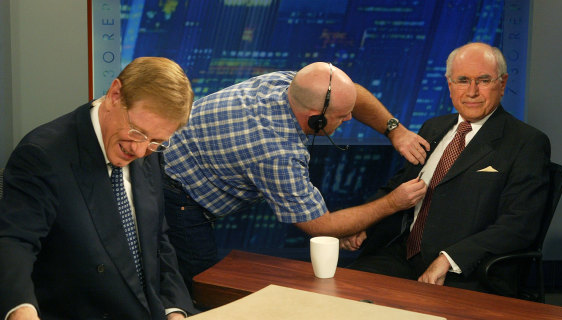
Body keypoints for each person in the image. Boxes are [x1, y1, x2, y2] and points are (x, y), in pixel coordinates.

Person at [0, 57, 196, 320]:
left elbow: (158, 240)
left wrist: (176, 312)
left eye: (156, 141)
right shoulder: (44, 154)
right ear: (115, 94)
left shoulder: (148, 150)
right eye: (136, 131)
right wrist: (20, 311)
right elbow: (12, 241)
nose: (139, 150)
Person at [163, 62, 431, 286]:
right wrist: (392, 203)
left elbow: (352, 95)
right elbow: (319, 225)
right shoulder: (276, 152)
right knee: (201, 283)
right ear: (317, 119)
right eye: (342, 116)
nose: (350, 118)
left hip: (169, 157)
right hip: (175, 191)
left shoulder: (286, 84)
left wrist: (396, 130)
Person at [344, 42, 551, 294]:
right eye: (463, 80)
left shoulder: (527, 143)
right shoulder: (433, 128)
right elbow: (398, 186)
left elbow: (519, 225)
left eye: (483, 80)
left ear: (503, 83)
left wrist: (448, 259)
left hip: (463, 269)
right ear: (449, 84)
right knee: (346, 293)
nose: (472, 91)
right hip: (403, 253)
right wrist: (365, 222)